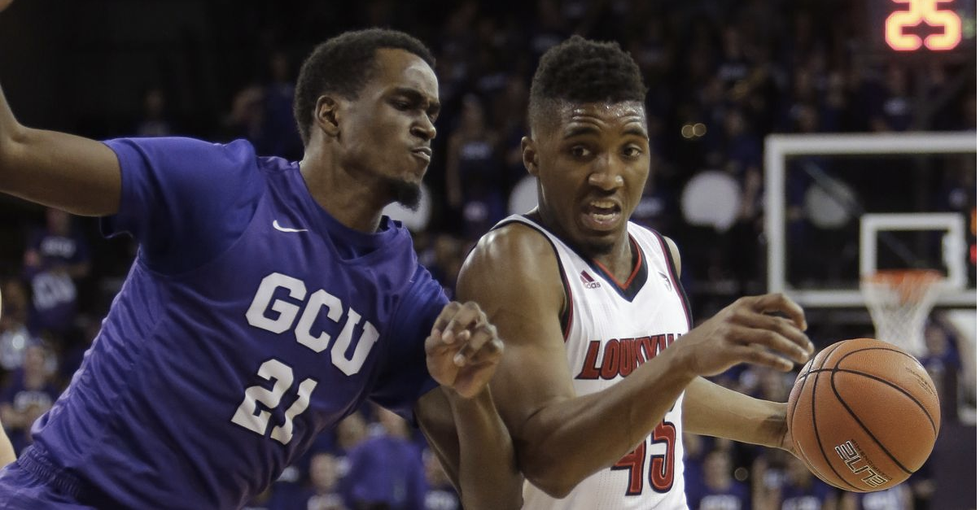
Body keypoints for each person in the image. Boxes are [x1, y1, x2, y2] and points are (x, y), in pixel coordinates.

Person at [0, 7, 521, 508]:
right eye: (405, 104)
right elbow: (13, 155)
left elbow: (495, 501)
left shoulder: (405, 299)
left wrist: (471, 394)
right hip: (68, 494)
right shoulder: (222, 186)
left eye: (431, 111)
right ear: (332, 114)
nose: (428, 126)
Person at [457, 35, 814, 508]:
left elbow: (656, 396)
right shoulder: (513, 260)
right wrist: (684, 357)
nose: (608, 175)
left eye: (629, 150)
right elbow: (550, 462)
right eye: (581, 151)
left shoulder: (661, 251)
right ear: (533, 157)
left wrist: (785, 427)